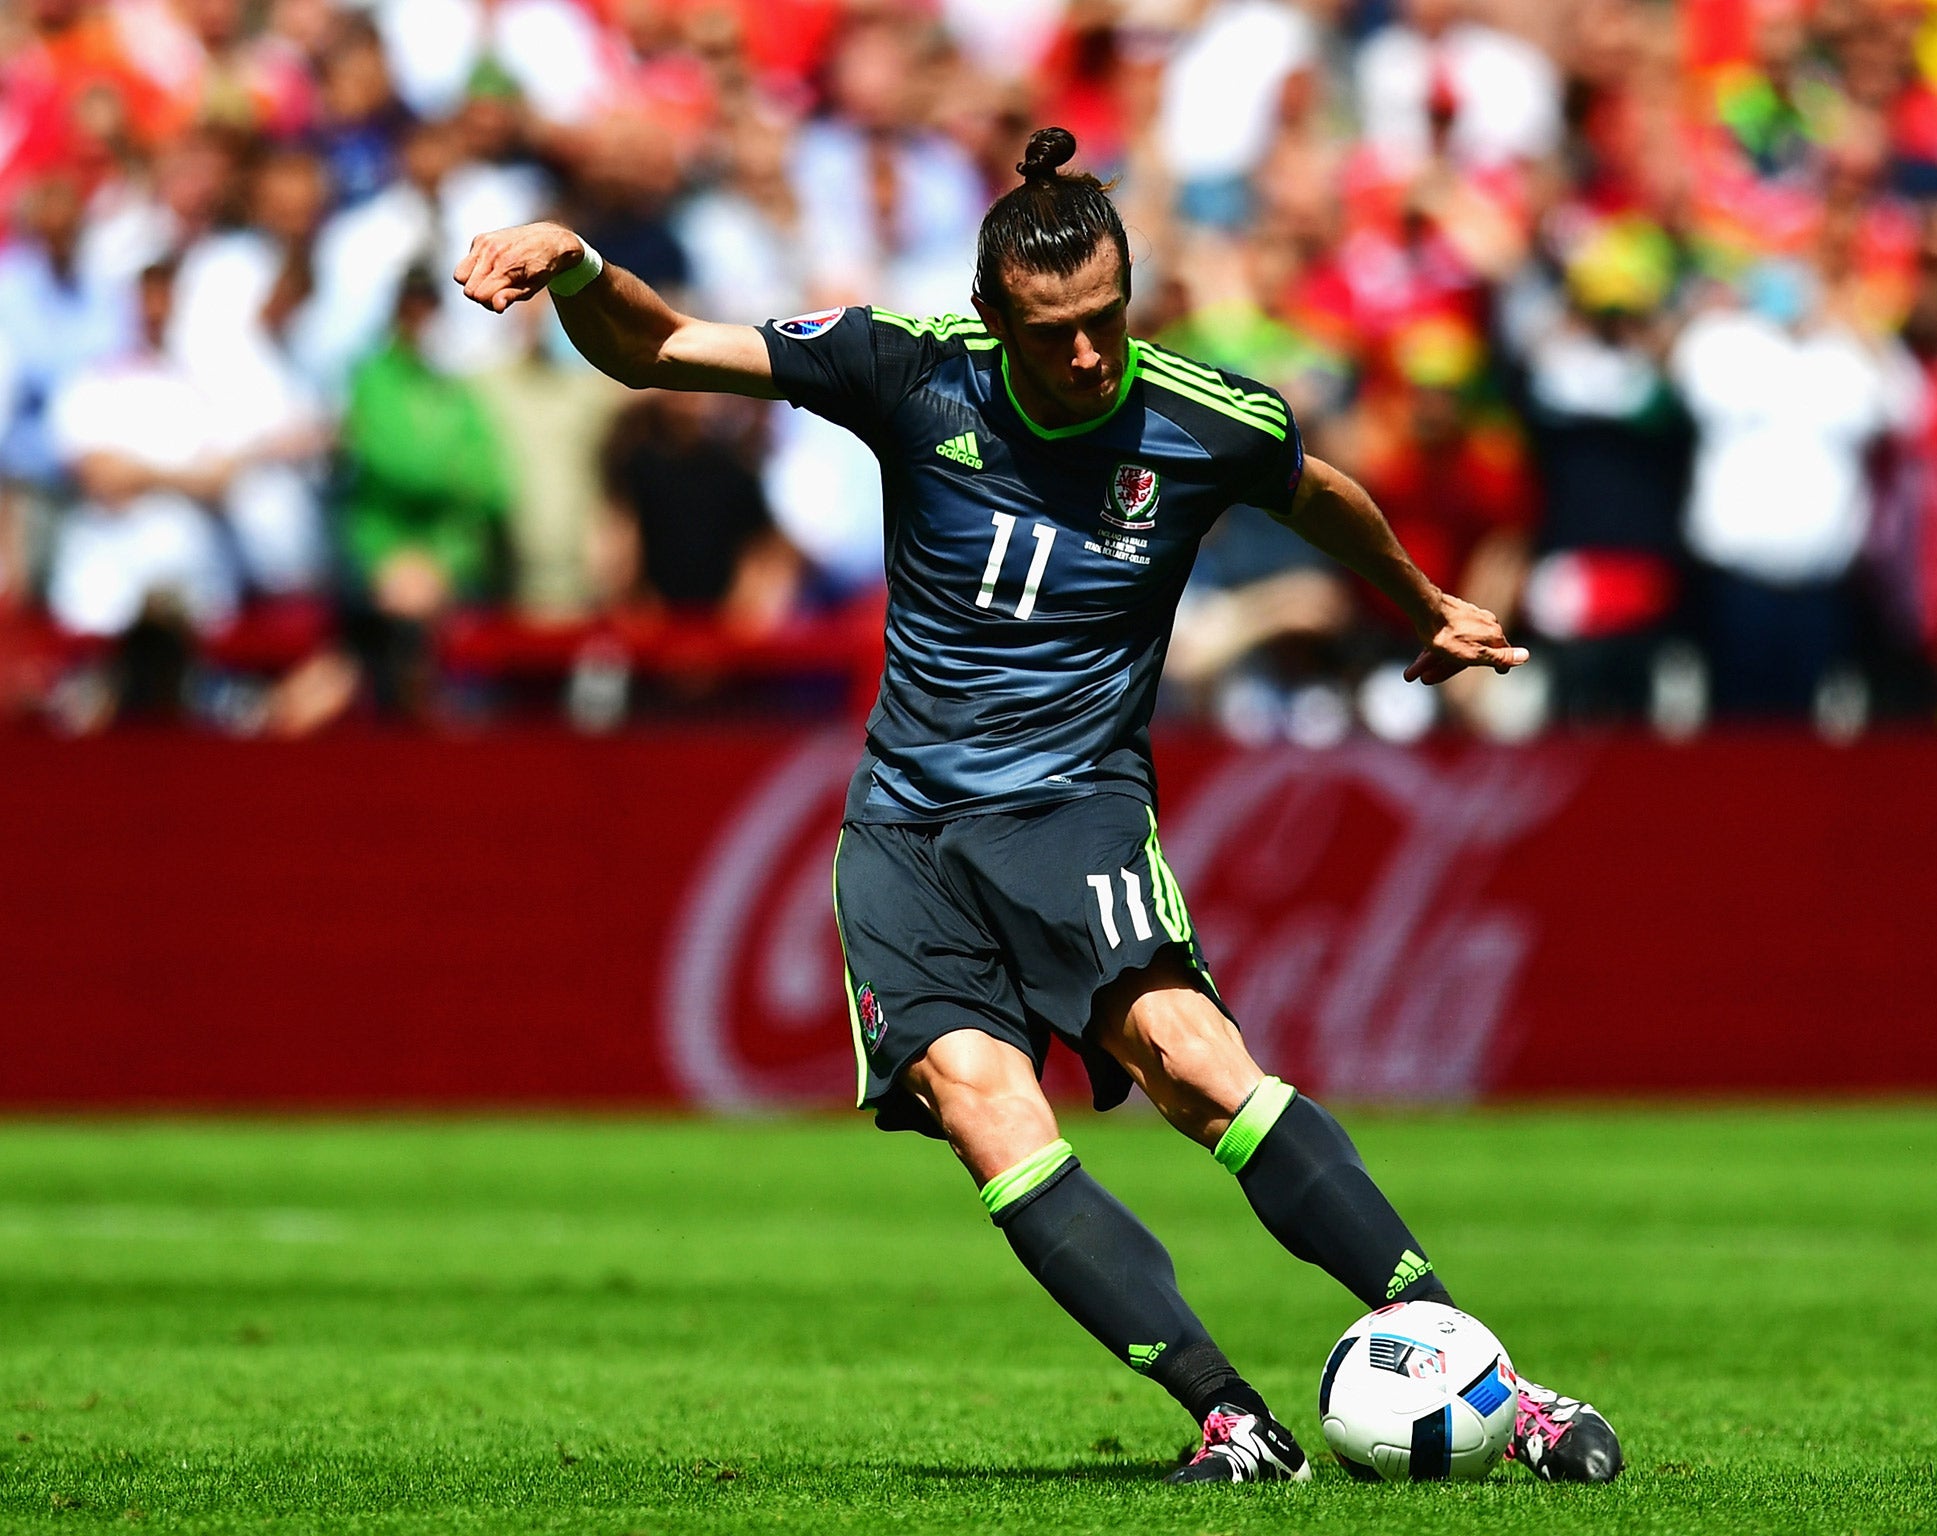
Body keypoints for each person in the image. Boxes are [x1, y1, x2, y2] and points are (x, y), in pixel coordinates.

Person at [454, 126, 1623, 1488]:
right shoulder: (906, 366)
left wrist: (1423, 605)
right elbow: (661, 350)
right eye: (1056, 330)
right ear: (995, 316)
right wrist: (580, 259)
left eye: (1109, 320)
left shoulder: (1205, 420)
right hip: (903, 833)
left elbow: (1323, 499)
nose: (1088, 355)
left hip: (1074, 806)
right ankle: (1230, 1421)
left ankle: (1500, 1384)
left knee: (1191, 1061)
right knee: (980, 1101)